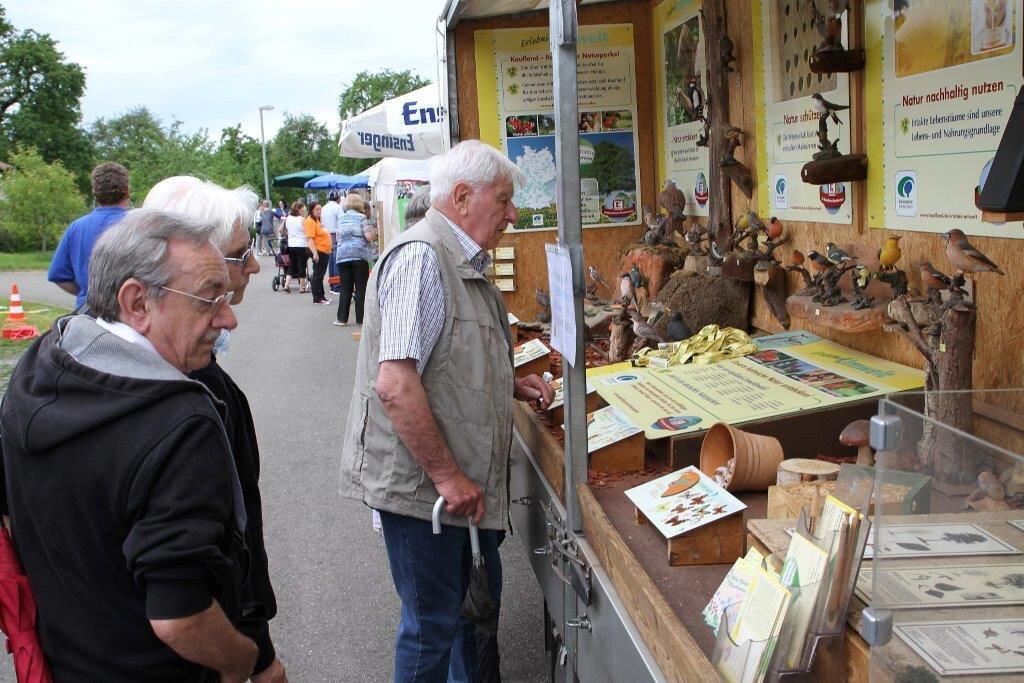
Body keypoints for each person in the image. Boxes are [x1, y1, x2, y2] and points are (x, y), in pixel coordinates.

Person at [0, 209, 257, 681]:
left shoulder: (43, 359)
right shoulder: (179, 422)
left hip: (66, 661)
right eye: (208, 299)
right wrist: (243, 660)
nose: (228, 318)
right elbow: (180, 615)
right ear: (137, 303)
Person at [339, 140, 554, 681]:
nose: (512, 214)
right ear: (462, 197)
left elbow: (444, 364)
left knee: (460, 619)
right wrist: (447, 477)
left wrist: (508, 385)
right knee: (431, 627)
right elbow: (396, 384)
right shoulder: (422, 258)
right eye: (503, 200)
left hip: (444, 492)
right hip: (423, 494)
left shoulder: (457, 259)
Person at [143, 177, 286, 683]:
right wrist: (258, 653)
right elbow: (229, 536)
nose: (252, 265)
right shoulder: (192, 392)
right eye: (240, 254)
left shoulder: (70, 365)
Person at [48, 162, 131, 309]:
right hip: (129, 312)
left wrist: (85, 292)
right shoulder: (140, 224)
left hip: (88, 311)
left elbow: (58, 275)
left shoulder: (76, 227)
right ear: (127, 190)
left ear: (94, 191)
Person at [333, 194, 374, 326]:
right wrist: (373, 233)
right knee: (361, 287)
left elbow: (338, 238)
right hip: (358, 255)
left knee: (345, 287)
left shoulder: (341, 219)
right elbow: (368, 237)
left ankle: (342, 319)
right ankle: (361, 319)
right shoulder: (362, 218)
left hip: (342, 255)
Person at [304, 201, 332, 305]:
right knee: (317, 275)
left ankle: (322, 296)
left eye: (320, 209)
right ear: (312, 210)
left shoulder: (317, 220)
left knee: (320, 274)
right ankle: (317, 298)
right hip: (318, 250)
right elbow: (310, 239)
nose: (319, 211)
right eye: (317, 209)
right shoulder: (310, 221)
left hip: (324, 250)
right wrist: (315, 253)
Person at [283, 201, 308, 293]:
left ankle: (286, 285)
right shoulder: (302, 219)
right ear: (299, 209)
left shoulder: (288, 218)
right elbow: (306, 232)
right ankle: (302, 287)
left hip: (291, 245)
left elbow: (284, 230)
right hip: (301, 245)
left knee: (292, 265)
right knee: (302, 265)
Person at [321, 190, 343, 293]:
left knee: (330, 261)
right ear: (338, 198)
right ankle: (337, 286)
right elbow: (342, 222)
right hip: (335, 235)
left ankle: (332, 284)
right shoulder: (338, 208)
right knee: (337, 261)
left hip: (325, 235)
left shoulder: (323, 208)